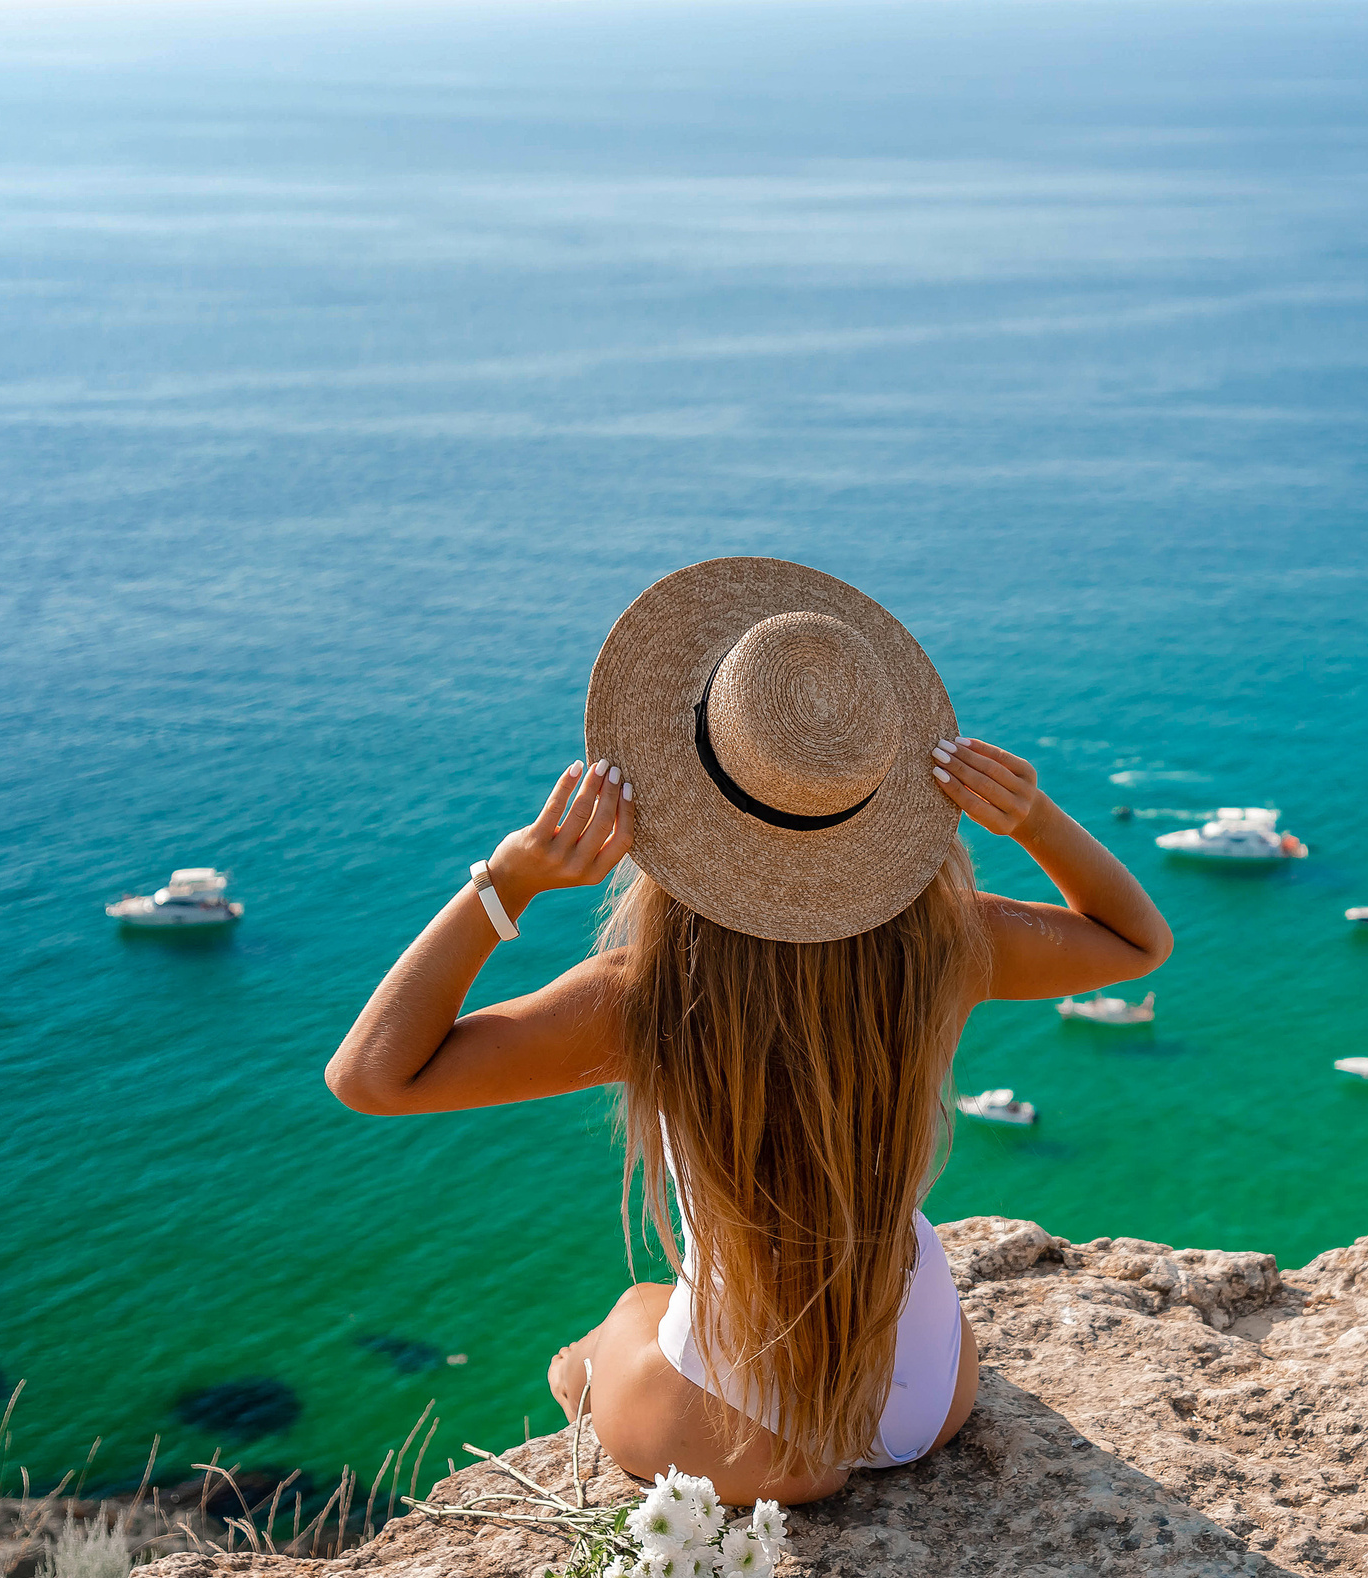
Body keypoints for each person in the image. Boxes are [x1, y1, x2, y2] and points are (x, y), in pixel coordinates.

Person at [325, 558, 1172, 1506]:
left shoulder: (642, 995)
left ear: (679, 799)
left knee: (597, 1349)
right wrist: (1035, 818)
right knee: (647, 1317)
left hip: (751, 1434)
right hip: (930, 1390)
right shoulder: (945, 948)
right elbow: (1137, 943)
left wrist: (506, 883)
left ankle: (595, 1374)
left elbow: (371, 1078)